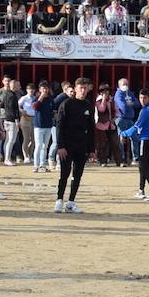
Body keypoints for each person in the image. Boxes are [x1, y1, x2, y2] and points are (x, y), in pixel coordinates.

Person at [53, 77, 95, 213]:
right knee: (64, 173)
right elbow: (59, 126)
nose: (83, 91)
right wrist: (60, 146)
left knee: (77, 175)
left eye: (85, 88)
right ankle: (59, 200)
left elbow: (91, 128)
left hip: (81, 145)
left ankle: (70, 202)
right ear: (75, 89)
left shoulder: (89, 105)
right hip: (67, 145)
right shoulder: (66, 104)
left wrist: (92, 149)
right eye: (80, 88)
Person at [121, 89, 149, 201]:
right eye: (140, 98)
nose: (142, 100)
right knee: (142, 166)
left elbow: (136, 126)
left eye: (144, 98)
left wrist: (123, 133)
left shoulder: (145, 111)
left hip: (145, 139)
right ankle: (141, 190)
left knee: (144, 166)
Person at [31, 81, 56, 173]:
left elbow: (53, 110)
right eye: (43, 88)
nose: (45, 90)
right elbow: (35, 107)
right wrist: (41, 97)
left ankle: (42, 165)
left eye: (46, 88)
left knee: (45, 146)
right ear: (40, 89)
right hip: (38, 126)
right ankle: (36, 165)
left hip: (48, 125)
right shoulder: (36, 99)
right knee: (38, 145)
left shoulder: (50, 99)